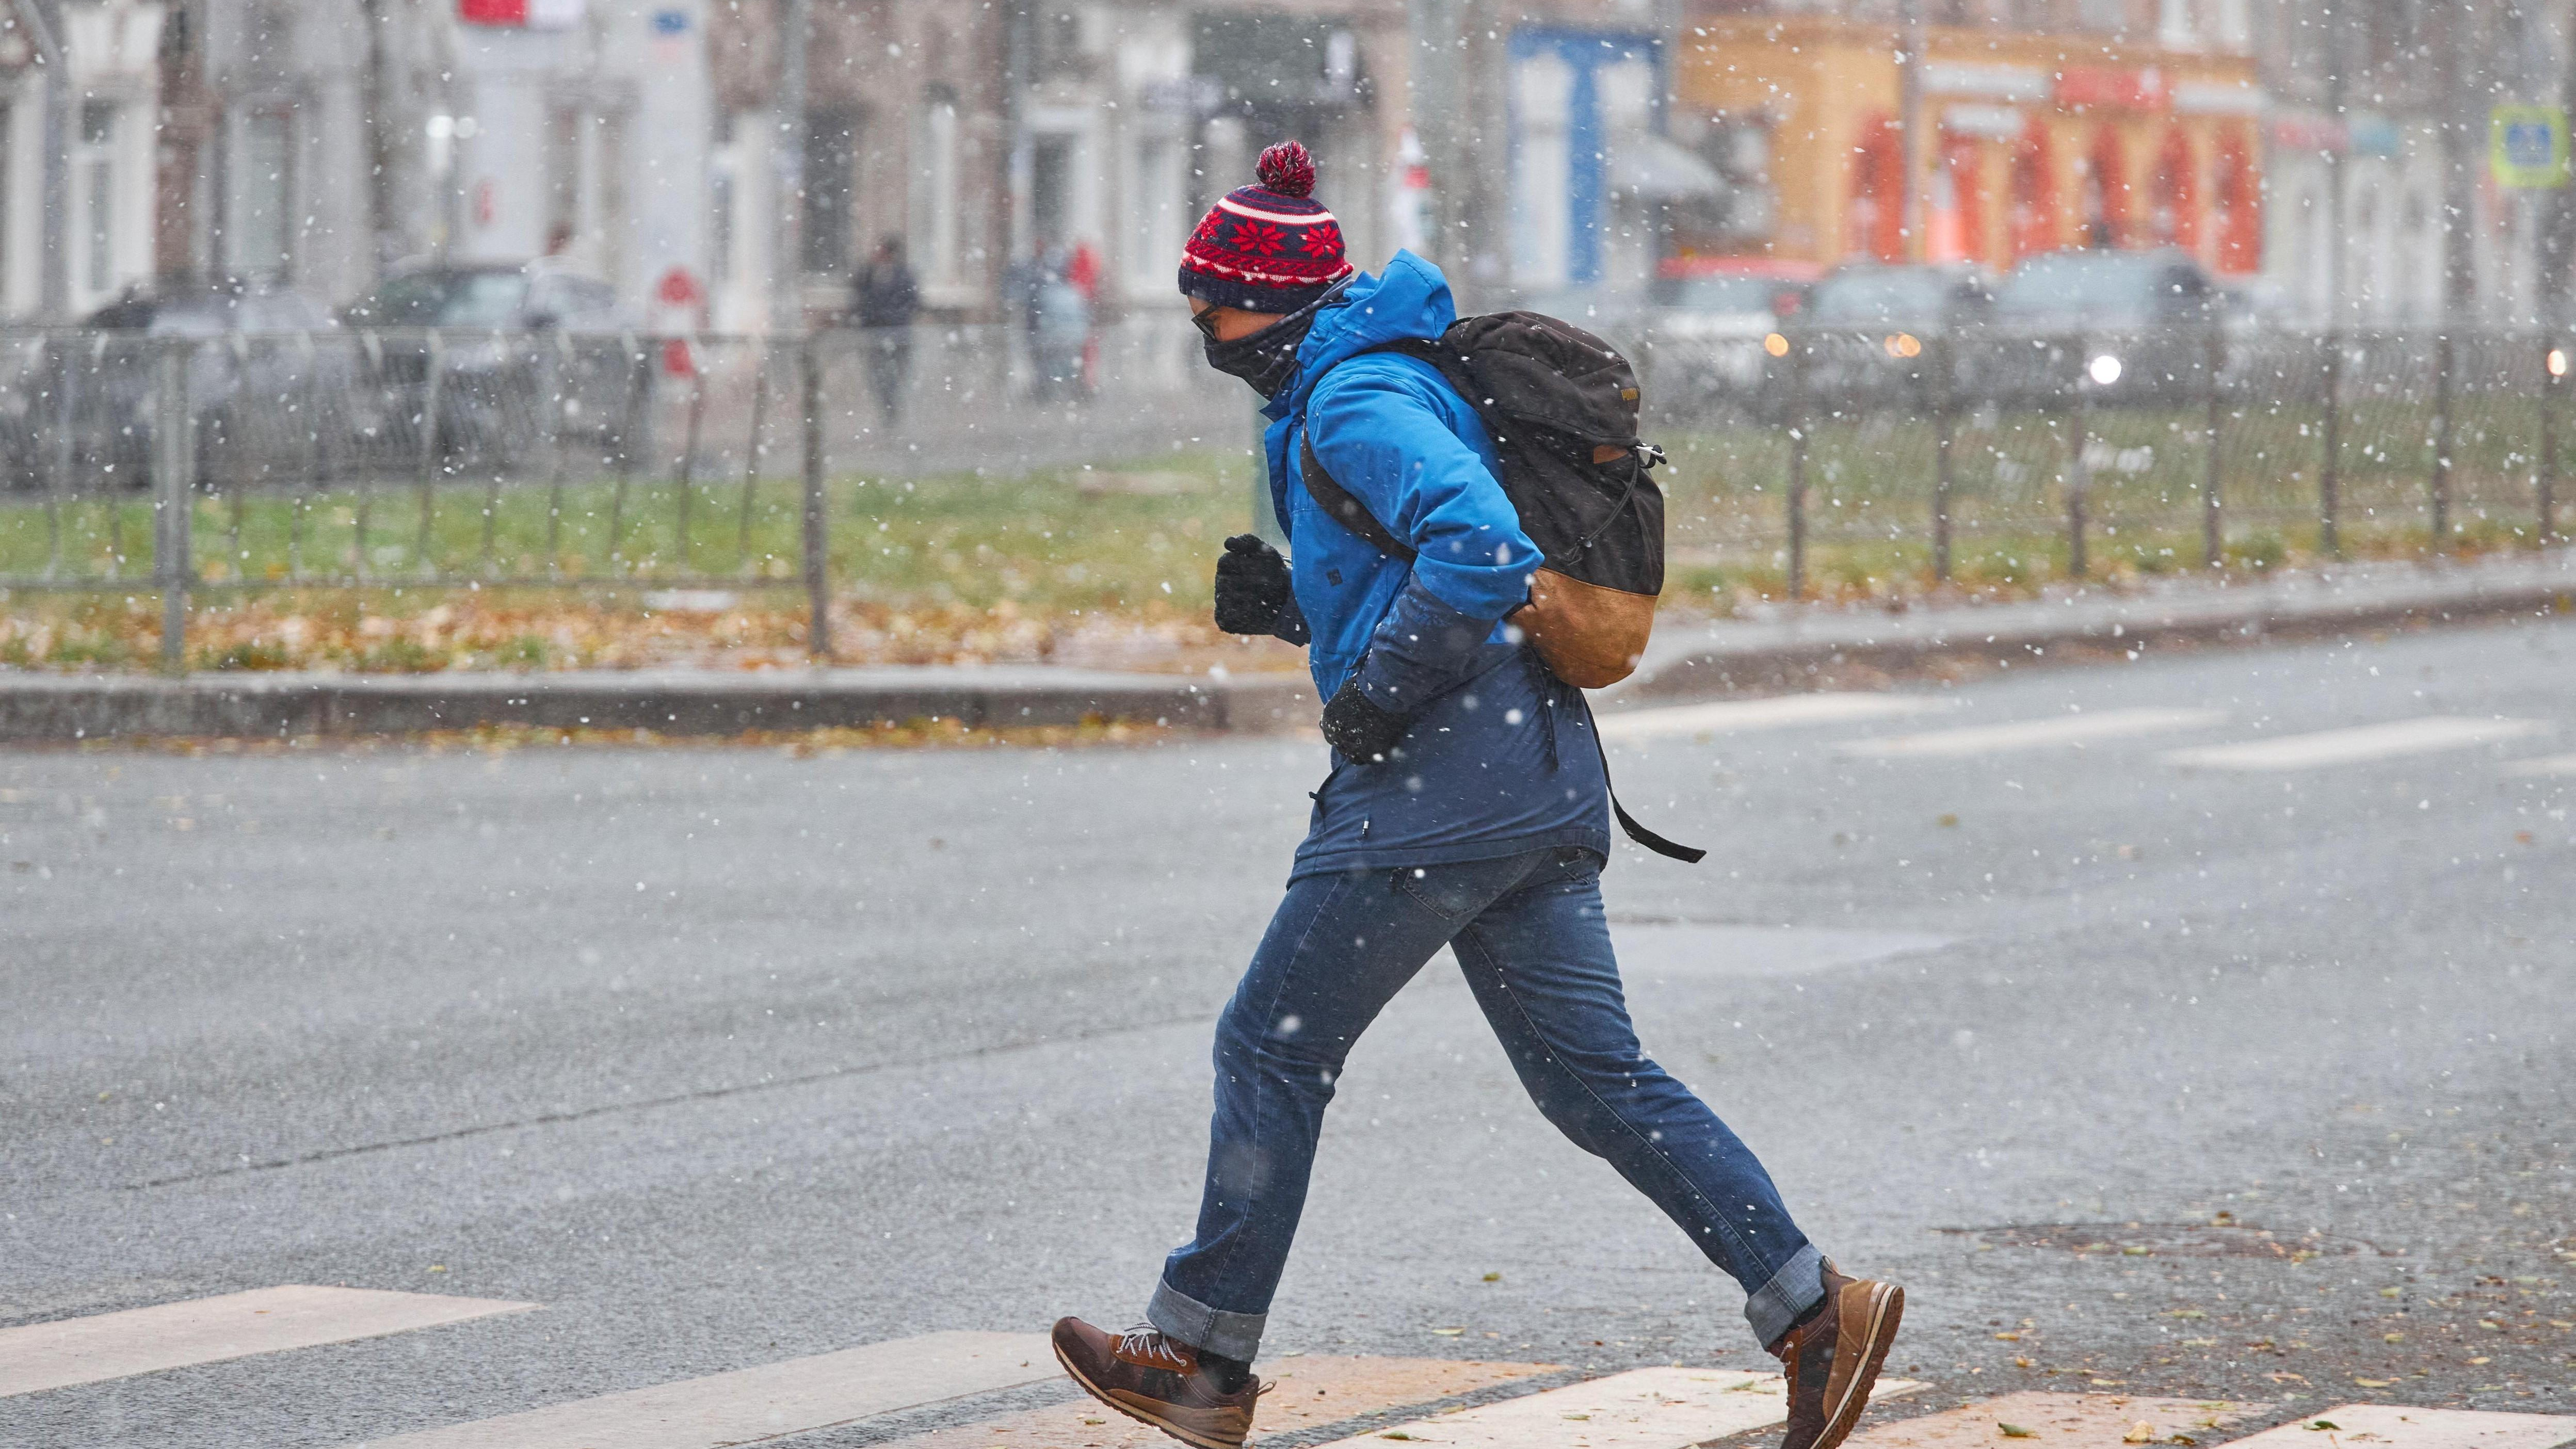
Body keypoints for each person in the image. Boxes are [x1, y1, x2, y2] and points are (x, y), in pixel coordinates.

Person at [1049, 140, 1907, 1449]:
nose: (1198, 321)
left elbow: (1479, 544)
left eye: (1208, 297)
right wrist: (1300, 610)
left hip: (1435, 797)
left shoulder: (1349, 399)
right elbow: (1420, 554)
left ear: (1266, 300)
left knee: (1270, 1044)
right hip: (1533, 780)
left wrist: (1379, 688)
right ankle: (1811, 1308)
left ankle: (1205, 1356)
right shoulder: (1367, 378)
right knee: (1592, 1081)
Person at [850, 235, 920, 429]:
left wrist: (889, 317)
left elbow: (912, 302)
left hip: (898, 336)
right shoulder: (869, 275)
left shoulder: (904, 275)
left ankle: (892, 411)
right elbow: (859, 299)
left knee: (895, 377)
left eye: (881, 251)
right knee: (876, 377)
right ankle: (887, 410)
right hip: (874, 336)